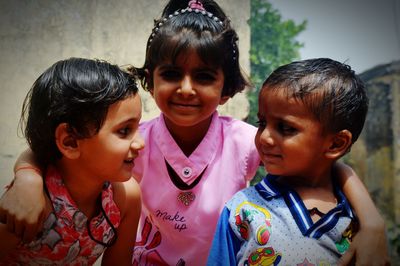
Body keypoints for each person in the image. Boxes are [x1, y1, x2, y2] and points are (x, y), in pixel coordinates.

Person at [0, 1, 389, 265]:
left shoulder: (245, 140)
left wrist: (372, 224)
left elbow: (325, 165)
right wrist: (27, 177)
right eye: (171, 74)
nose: (186, 88)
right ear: (150, 81)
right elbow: (53, 150)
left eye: (204, 76)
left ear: (227, 88)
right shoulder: (135, 143)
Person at [207, 58, 390, 265]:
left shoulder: (357, 222)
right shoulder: (242, 209)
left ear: (336, 144)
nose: (265, 136)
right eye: (262, 123)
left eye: (286, 128)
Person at [0, 58, 143, 265]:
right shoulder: (29, 207)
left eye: (136, 127)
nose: (140, 143)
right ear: (70, 142)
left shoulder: (125, 198)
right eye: (124, 131)